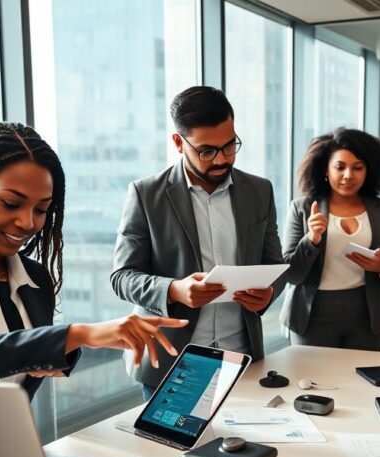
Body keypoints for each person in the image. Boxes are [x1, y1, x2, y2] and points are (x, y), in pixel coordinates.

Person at [0, 122, 187, 401]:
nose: (27, 223)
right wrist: (77, 334)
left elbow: (30, 351)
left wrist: (76, 347)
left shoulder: (34, 278)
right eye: (10, 203)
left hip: (7, 447)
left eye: (41, 210)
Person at [111, 86, 285, 397]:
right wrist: (174, 290)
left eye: (229, 146)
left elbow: (275, 264)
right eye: (207, 151)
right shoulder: (146, 194)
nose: (221, 160)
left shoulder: (259, 191)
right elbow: (122, 278)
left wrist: (269, 293)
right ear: (179, 142)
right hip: (171, 363)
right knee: (171, 447)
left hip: (242, 359)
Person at [282, 128, 380, 350]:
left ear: (368, 171)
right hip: (313, 314)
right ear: (326, 170)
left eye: (358, 167)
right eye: (340, 167)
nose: (349, 175)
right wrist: (312, 239)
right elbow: (291, 274)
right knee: (315, 381)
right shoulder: (301, 208)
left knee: (363, 381)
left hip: (367, 314)